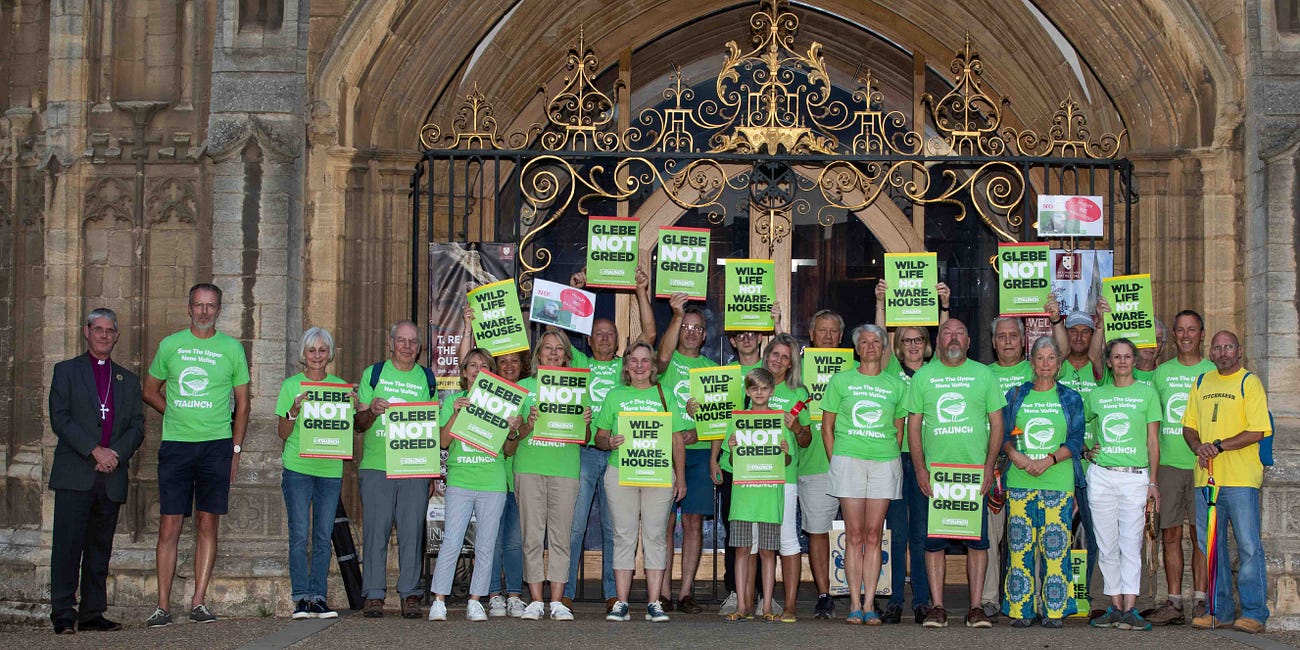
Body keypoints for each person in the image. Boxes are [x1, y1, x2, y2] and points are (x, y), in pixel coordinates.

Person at [143, 283, 250, 626]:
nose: (204, 311)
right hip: (176, 446)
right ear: (189, 308)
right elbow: (149, 391)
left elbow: (244, 404)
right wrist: (173, 411)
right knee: (169, 524)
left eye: (211, 306)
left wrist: (235, 449)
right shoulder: (171, 345)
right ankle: (162, 606)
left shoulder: (232, 348)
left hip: (216, 446)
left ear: (220, 309)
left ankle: (199, 602)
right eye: (199, 305)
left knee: (208, 523)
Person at [563, 265, 656, 612]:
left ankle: (612, 594)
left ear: (619, 341)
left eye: (610, 334)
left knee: (615, 528)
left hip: (623, 455)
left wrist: (641, 291)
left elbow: (648, 333)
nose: (604, 338)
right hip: (586, 452)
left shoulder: (627, 368)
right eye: (598, 333)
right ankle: (566, 591)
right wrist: (576, 291)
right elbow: (562, 330)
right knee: (575, 527)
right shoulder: (578, 362)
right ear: (588, 339)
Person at [47, 308, 145, 634]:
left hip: (111, 474)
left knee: (99, 549)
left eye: (110, 330)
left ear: (116, 336)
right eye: (98, 329)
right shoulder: (66, 371)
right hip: (76, 472)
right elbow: (60, 418)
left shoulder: (128, 381)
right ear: (86, 332)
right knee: (67, 546)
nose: (104, 335)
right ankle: (62, 612)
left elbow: (137, 426)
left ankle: (92, 613)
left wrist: (115, 453)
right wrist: (95, 450)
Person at [904, 318, 1005, 628]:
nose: (953, 338)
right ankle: (937, 606)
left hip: (974, 475)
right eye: (947, 333)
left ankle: (976, 608)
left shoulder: (983, 374)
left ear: (970, 341)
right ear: (939, 339)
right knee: (934, 543)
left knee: (977, 543)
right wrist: (920, 469)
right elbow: (914, 426)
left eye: (960, 332)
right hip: (936, 477)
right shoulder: (924, 376)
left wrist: (989, 467)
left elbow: (998, 424)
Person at [1184, 331, 1272, 634]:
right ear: (1211, 351)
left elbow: (1257, 431)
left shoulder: (1250, 383)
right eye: (1218, 348)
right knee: (1211, 547)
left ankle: (1254, 612)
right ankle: (1218, 610)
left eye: (1228, 347)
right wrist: (1198, 447)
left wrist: (1218, 446)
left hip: (1240, 480)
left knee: (1248, 546)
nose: (1223, 353)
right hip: (1207, 481)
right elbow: (1189, 427)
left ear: (1239, 351)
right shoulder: (1201, 382)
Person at [821, 324, 907, 625]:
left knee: (874, 534)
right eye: (865, 341)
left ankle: (871, 603)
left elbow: (899, 431)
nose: (870, 346)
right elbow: (826, 427)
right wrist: (838, 461)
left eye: (876, 341)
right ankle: (854, 603)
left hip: (884, 463)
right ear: (857, 348)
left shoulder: (896, 385)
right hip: (848, 461)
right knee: (854, 535)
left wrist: (885, 453)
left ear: (884, 348)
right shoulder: (841, 381)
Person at [428, 348, 522, 622]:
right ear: (464, 371)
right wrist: (456, 414)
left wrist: (513, 429)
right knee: (452, 541)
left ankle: (475, 600)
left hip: (492, 481)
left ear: (490, 372)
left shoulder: (503, 403)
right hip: (461, 479)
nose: (477, 368)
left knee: (485, 545)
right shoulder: (453, 401)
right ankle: (439, 600)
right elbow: (443, 443)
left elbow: (509, 449)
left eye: (483, 364)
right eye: (472, 364)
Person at [596, 341, 686, 622]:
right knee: (623, 536)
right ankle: (621, 602)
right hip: (620, 473)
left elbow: (676, 439)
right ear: (625, 365)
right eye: (633, 360)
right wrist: (609, 442)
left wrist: (680, 477)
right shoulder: (614, 395)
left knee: (655, 536)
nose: (639, 366)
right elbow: (599, 436)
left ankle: (654, 603)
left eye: (645, 360)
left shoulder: (666, 394)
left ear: (653, 365)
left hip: (658, 474)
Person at [999, 336, 1085, 628]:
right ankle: (1021, 609)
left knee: (1055, 547)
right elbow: (1004, 436)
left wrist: (1047, 460)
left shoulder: (1071, 397)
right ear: (1031, 362)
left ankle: (1055, 610)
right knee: (1019, 548)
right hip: (1020, 481)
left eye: (1051, 358)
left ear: (1059, 363)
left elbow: (1075, 440)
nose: (1046, 363)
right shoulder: (1015, 395)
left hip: (1057, 482)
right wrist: (1018, 458)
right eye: (1040, 358)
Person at [354, 320, 437, 618]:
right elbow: (358, 425)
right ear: (391, 343)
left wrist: (430, 472)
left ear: (419, 347)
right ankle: (374, 595)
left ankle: (410, 594)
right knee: (376, 531)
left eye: (412, 341)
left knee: (412, 532)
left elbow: (430, 430)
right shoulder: (373, 374)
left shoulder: (427, 378)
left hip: (414, 467)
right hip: (377, 466)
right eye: (401, 340)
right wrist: (371, 412)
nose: (406, 346)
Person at [510, 329, 590, 621]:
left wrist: (586, 422)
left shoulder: (578, 388)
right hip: (529, 467)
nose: (553, 353)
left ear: (567, 356)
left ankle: (557, 601)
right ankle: (534, 600)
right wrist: (526, 425)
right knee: (531, 535)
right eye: (548, 348)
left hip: (565, 469)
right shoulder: (524, 387)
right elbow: (512, 436)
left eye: (559, 349)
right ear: (538, 354)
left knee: (561, 537)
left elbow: (587, 436)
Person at [458, 311, 531, 618]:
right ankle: (492, 594)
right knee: (492, 540)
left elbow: (522, 435)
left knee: (513, 540)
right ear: (494, 368)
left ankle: (514, 593)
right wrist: (467, 327)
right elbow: (467, 365)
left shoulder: (530, 390)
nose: (510, 366)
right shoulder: (490, 391)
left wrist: (520, 426)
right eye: (504, 361)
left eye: (516, 361)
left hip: (517, 477)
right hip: (490, 479)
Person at [1084, 338, 1161, 631]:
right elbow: (1083, 424)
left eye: (1127, 356)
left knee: (1131, 543)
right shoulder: (1097, 395)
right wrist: (1087, 448)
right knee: (1106, 544)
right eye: (1116, 357)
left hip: (1135, 477)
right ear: (1109, 361)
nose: (1123, 361)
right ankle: (1115, 605)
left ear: (1134, 359)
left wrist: (1153, 481)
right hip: (1102, 474)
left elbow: (1152, 441)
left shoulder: (1147, 394)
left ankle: (1131, 607)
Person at [276, 327, 352, 619]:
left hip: (330, 469)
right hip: (298, 468)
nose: (317, 356)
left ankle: (318, 597)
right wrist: (294, 411)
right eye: (312, 350)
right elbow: (282, 433)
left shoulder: (339, 386)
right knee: (298, 535)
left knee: (322, 535)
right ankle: (300, 599)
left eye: (322, 350)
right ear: (303, 355)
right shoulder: (290, 386)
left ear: (329, 354)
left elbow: (347, 427)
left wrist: (354, 406)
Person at [1146, 310, 1214, 625]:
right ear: (1173, 335)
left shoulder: (1213, 370)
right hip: (1170, 464)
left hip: (1205, 465)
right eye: (1180, 330)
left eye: (1192, 330)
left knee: (1201, 535)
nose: (1186, 336)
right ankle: (1174, 602)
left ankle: (1200, 601)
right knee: (1170, 534)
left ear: (1202, 333)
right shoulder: (1162, 373)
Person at [654, 296, 715, 614]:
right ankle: (661, 591)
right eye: (686, 326)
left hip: (700, 452)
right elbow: (661, 358)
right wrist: (676, 316)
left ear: (705, 335)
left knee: (692, 523)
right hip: (664, 451)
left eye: (697, 328)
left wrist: (700, 432)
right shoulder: (666, 361)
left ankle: (685, 593)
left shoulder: (712, 369)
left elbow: (721, 417)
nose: (691, 332)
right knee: (664, 522)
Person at [720, 368, 793, 623]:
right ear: (747, 391)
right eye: (754, 388)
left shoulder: (779, 420)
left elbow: (787, 459)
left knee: (767, 552)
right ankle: (741, 604)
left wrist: (784, 450)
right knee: (742, 550)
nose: (759, 393)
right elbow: (729, 463)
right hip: (743, 497)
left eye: (764, 388)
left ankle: (767, 606)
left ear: (772, 391)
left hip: (769, 497)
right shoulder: (736, 419)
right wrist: (730, 450)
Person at [980, 317, 1035, 619]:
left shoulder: (1037, 368)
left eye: (1014, 335)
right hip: (993, 466)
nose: (1008, 341)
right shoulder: (980, 374)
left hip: (1028, 464)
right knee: (989, 536)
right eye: (1001, 336)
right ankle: (989, 598)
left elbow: (1064, 352)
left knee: (1023, 537)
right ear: (993, 342)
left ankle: (1022, 597)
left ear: (1024, 339)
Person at [881, 323, 934, 623]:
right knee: (897, 533)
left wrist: (944, 305)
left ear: (926, 343)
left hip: (928, 460)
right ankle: (895, 599)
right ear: (898, 344)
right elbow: (879, 332)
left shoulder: (936, 368)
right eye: (906, 340)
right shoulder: (890, 368)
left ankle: (922, 600)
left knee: (923, 533)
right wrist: (880, 303)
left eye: (918, 339)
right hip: (897, 458)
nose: (912, 344)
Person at [798, 309, 848, 620]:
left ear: (842, 337)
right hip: (813, 464)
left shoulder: (856, 368)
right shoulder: (799, 372)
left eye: (833, 331)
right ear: (812, 335)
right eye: (822, 331)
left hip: (855, 460)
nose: (828, 336)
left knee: (862, 532)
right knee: (817, 532)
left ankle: (862, 590)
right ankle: (824, 593)